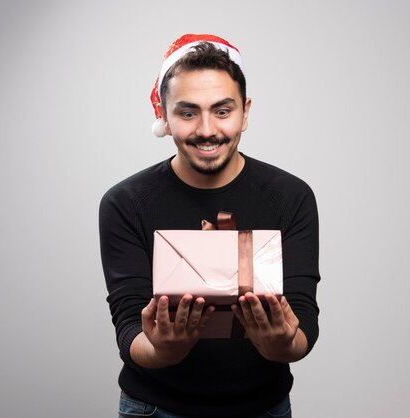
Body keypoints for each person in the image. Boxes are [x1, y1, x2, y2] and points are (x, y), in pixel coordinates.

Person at [99, 33, 320, 418]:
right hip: (154, 407)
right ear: (164, 117)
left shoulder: (291, 196)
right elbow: (129, 326)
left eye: (222, 110)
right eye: (187, 112)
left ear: (245, 112)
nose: (206, 129)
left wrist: (281, 344)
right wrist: (163, 349)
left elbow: (303, 323)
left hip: (262, 407)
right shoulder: (125, 203)